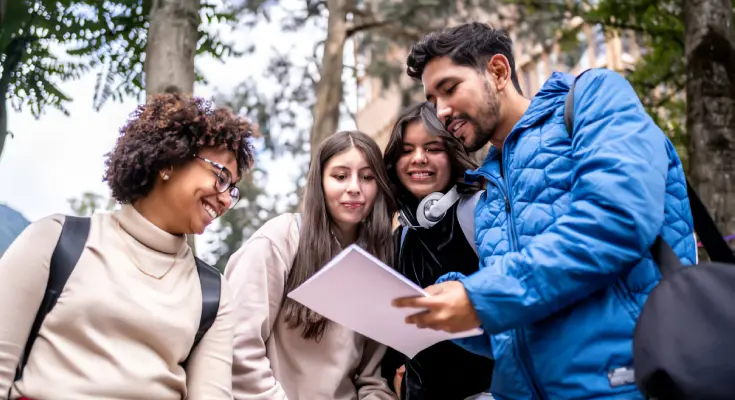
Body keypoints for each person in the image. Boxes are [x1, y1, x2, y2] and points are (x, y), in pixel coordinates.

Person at [392, 22, 697, 399]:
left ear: (499, 72)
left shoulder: (594, 96)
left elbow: (615, 221)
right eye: (432, 100)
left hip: (629, 384)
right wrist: (442, 307)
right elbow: (517, 327)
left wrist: (476, 296)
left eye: (450, 89)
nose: (441, 111)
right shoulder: (487, 194)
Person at [0, 93, 253, 399]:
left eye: (233, 189)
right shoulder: (55, 240)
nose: (226, 198)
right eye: (221, 176)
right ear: (171, 160)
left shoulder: (213, 293)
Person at [225, 130, 397, 400]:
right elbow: (237, 345)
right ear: (320, 182)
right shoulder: (281, 238)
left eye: (367, 177)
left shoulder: (378, 260)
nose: (354, 187)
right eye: (340, 176)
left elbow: (372, 377)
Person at [380, 102, 493, 400]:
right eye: (406, 150)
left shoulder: (482, 213)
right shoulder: (401, 236)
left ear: (453, 154)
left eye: (432, 148)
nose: (418, 158)